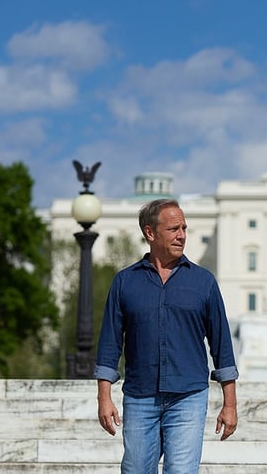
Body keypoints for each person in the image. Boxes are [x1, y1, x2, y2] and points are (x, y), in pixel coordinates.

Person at [94, 198, 239, 473]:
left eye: (184, 228)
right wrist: (104, 397)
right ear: (150, 233)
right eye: (174, 229)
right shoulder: (125, 282)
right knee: (136, 469)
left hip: (189, 396)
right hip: (140, 396)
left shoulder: (203, 282)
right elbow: (110, 343)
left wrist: (229, 404)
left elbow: (222, 345)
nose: (182, 235)